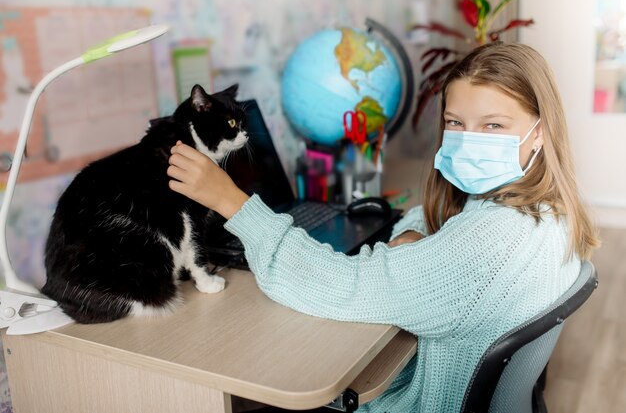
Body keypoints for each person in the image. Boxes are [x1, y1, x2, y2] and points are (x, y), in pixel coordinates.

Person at [166, 42, 599, 413]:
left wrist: (232, 202)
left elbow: (338, 284)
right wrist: (414, 237)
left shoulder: (483, 248)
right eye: (455, 123)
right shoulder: (550, 210)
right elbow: (446, 224)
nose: (469, 139)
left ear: (538, 132)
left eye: (493, 125)